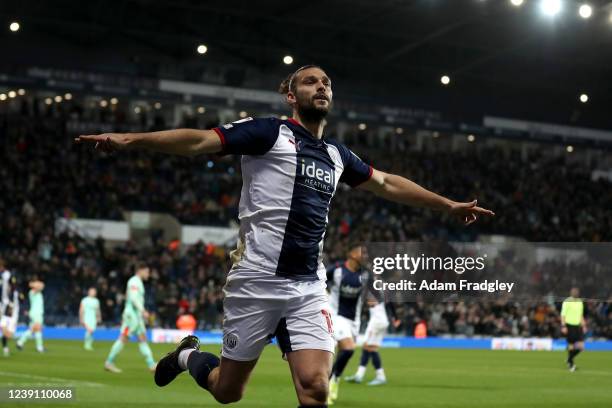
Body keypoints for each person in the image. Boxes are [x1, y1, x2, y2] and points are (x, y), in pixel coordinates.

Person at [76, 64, 494, 407]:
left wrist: (448, 205)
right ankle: (188, 356)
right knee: (228, 392)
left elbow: (385, 183)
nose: (322, 86)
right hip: (255, 281)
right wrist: (133, 139)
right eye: (311, 81)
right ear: (291, 95)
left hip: (308, 287)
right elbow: (201, 141)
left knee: (314, 388)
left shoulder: (336, 155)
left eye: (327, 82)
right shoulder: (269, 132)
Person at [326, 245, 366, 404]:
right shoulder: (336, 270)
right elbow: (318, 281)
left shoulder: (365, 275)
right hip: (336, 315)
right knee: (349, 348)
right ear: (351, 254)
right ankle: (333, 380)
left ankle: (330, 382)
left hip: (354, 321)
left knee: (340, 353)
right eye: (362, 252)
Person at [104, 263, 156, 373]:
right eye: (147, 271)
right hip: (132, 315)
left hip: (136, 316)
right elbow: (133, 298)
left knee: (142, 338)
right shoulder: (134, 281)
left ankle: (151, 364)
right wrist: (143, 311)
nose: (148, 274)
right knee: (124, 337)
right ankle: (109, 362)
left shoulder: (138, 282)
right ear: (140, 270)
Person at [345, 295, 400, 386]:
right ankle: (359, 375)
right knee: (368, 348)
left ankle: (380, 376)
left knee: (368, 347)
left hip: (376, 322)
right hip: (382, 321)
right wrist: (396, 317)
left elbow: (372, 303)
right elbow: (389, 302)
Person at [561, 287, 586, 372]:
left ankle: (569, 359)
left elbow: (581, 315)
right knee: (571, 345)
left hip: (578, 327)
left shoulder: (580, 302)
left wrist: (584, 325)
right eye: (574, 292)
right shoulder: (567, 301)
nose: (575, 293)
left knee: (581, 347)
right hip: (569, 326)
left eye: (576, 292)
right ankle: (571, 365)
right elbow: (563, 315)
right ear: (571, 293)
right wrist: (563, 326)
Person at [16, 280, 45, 353]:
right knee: (37, 328)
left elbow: (41, 285)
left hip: (35, 313)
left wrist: (34, 284)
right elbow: (41, 286)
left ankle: (20, 342)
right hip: (36, 313)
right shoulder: (32, 292)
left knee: (33, 329)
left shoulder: (36, 292)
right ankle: (39, 347)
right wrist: (33, 284)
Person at [1, 260, 20, 357]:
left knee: (8, 335)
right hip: (4, 305)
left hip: (8, 306)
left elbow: (12, 288)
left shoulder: (7, 275)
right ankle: (5, 348)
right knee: (4, 327)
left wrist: (12, 304)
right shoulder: (4, 276)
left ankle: (5, 348)